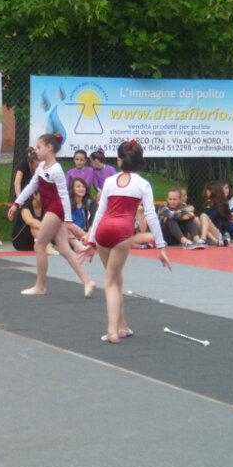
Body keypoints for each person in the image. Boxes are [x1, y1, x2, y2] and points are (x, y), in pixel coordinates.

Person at [81, 140, 171, 344]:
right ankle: (112, 330)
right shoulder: (143, 184)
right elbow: (150, 215)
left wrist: (91, 241)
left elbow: (100, 212)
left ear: (119, 161)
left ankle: (121, 326)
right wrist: (162, 246)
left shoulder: (111, 181)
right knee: (112, 281)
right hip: (123, 231)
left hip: (104, 229)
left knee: (114, 278)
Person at [7, 133, 97, 298]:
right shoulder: (41, 167)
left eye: (39, 147)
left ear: (49, 148)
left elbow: (63, 195)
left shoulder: (56, 169)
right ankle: (87, 281)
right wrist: (17, 203)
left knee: (39, 245)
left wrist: (68, 219)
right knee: (64, 248)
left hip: (55, 209)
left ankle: (40, 286)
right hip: (52, 209)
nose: (37, 150)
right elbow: (31, 186)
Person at [198, 181, 232, 246]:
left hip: (217, 233)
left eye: (208, 190)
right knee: (196, 219)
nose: (206, 192)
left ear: (214, 191)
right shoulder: (207, 204)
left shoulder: (221, 205)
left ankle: (203, 239)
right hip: (208, 233)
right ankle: (215, 242)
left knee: (203, 215)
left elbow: (209, 218)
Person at [66, 177, 93, 251]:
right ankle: (76, 244)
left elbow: (93, 222)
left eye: (83, 186)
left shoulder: (90, 203)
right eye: (78, 186)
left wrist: (87, 235)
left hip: (86, 235)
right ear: (72, 189)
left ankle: (82, 243)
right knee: (65, 224)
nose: (81, 189)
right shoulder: (67, 204)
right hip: (70, 235)